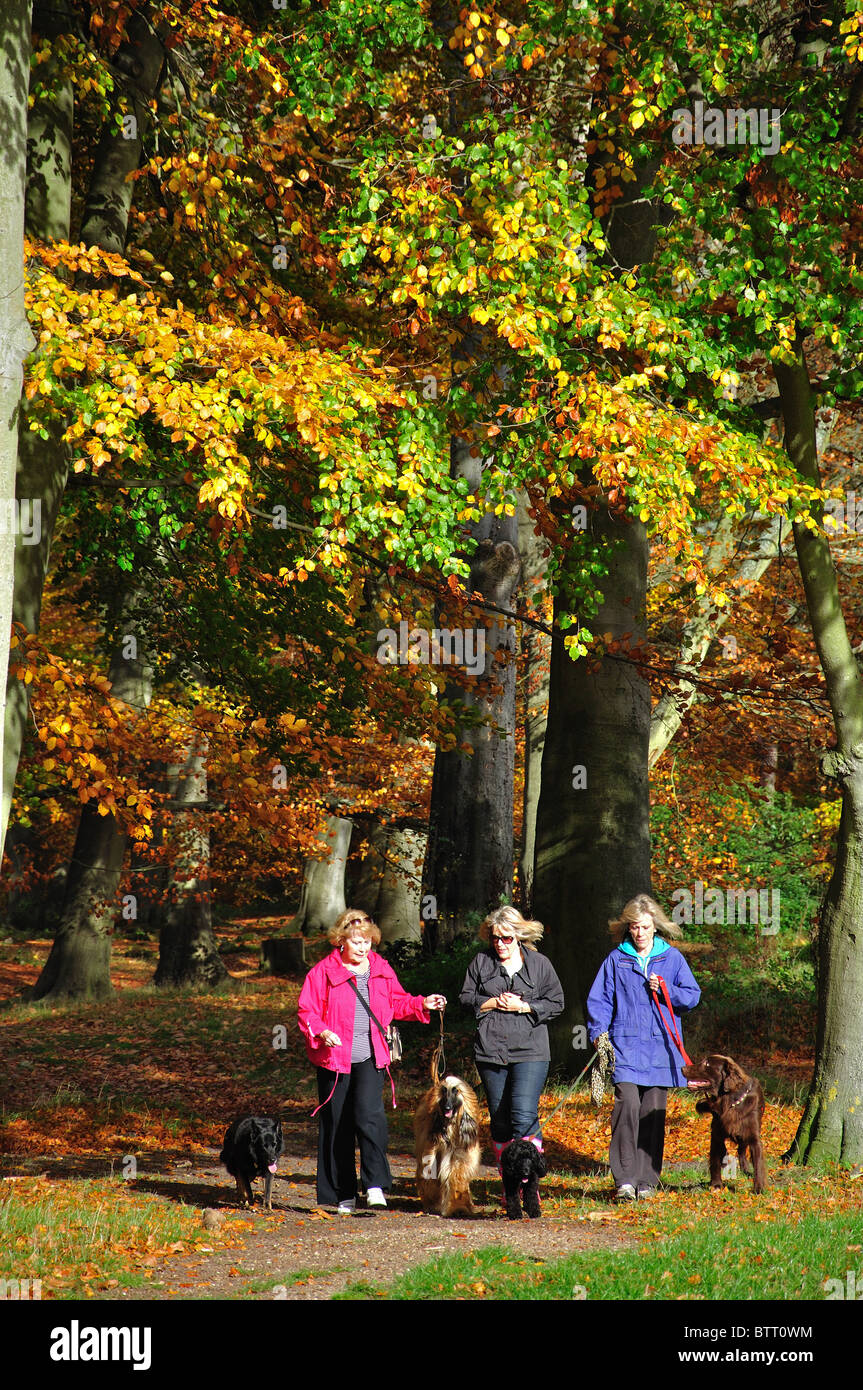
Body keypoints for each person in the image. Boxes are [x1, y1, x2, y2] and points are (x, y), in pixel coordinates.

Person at [298, 908, 446, 1213]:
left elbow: (397, 1002)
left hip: (371, 1056)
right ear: (341, 941)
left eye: (367, 942)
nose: (363, 948)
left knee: (370, 1118)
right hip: (334, 1061)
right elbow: (306, 1011)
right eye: (356, 942)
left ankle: (375, 1184)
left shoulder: (380, 968)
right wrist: (322, 1031)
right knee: (338, 1125)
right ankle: (342, 1194)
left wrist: (423, 1003)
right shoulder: (323, 972)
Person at [586, 893, 701, 1202]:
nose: (639, 933)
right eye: (634, 927)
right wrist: (598, 1033)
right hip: (624, 1047)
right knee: (627, 1107)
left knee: (652, 1114)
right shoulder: (615, 959)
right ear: (628, 928)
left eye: (645, 927)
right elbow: (600, 1001)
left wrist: (667, 989)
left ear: (656, 927)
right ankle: (624, 1180)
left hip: (662, 1050)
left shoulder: (672, 958)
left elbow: (692, 996)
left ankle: (647, 1180)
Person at [459, 905, 564, 1189]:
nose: (501, 944)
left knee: (524, 1114)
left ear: (519, 936)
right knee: (500, 1119)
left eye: (507, 938)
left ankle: (529, 1186)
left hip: (531, 1051)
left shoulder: (540, 964)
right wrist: (491, 1002)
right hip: (490, 1051)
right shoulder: (481, 962)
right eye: (495, 938)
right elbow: (465, 997)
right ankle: (509, 1185)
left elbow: (557, 1002)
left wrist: (524, 1006)